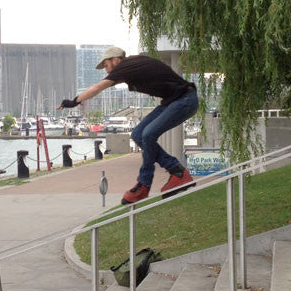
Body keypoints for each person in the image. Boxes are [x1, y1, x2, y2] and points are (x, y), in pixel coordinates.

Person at [58, 46, 199, 204]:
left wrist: (74, 101)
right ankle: (178, 172)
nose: (106, 71)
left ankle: (144, 184)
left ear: (116, 60)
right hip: (174, 101)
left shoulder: (126, 66)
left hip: (185, 100)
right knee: (138, 134)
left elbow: (98, 87)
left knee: (148, 134)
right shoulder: (131, 69)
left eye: (106, 65)